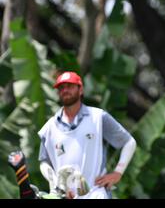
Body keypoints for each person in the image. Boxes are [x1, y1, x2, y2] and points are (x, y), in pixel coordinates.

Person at [38, 71, 136, 199]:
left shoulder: (98, 117)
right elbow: (44, 162)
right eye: (61, 87)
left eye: (70, 86)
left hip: (96, 194)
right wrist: (57, 183)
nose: (65, 90)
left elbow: (129, 142)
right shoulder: (49, 127)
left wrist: (118, 173)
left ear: (80, 90)